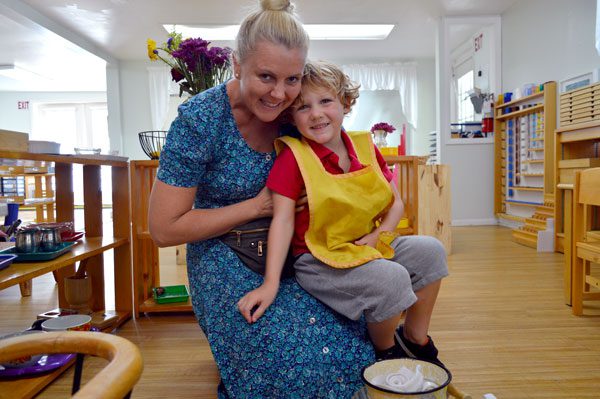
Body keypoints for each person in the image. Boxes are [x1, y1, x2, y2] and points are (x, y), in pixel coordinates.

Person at [149, 1, 378, 397]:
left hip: (295, 252)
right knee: (296, 363)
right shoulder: (199, 120)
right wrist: (257, 207)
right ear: (237, 65)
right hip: (224, 257)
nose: (279, 94)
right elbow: (164, 229)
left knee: (351, 346)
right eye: (266, 76)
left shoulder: (296, 110)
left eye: (292, 79)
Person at [237, 60, 449, 364]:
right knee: (392, 280)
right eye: (303, 107)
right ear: (291, 117)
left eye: (325, 101)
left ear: (345, 103)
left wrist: (378, 236)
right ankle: (386, 351)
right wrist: (270, 283)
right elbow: (282, 221)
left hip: (363, 245)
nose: (316, 114)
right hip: (319, 260)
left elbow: (396, 203)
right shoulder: (293, 158)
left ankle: (415, 338)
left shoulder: (365, 146)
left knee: (431, 250)